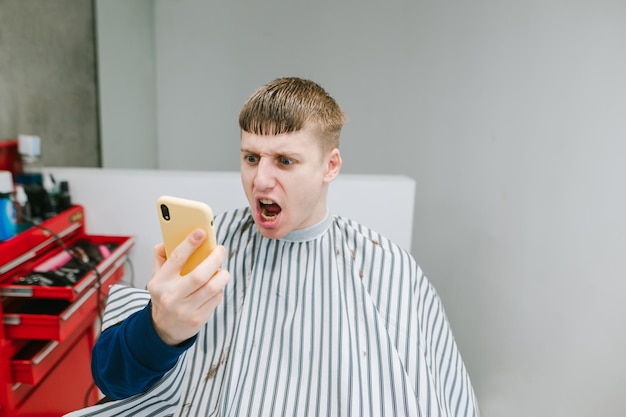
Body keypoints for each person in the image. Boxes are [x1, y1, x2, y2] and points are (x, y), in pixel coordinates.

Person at [65, 77, 480, 417]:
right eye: (250, 158)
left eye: (284, 160)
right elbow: (111, 379)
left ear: (330, 166)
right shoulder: (206, 249)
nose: (260, 180)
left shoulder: (388, 267)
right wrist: (160, 331)